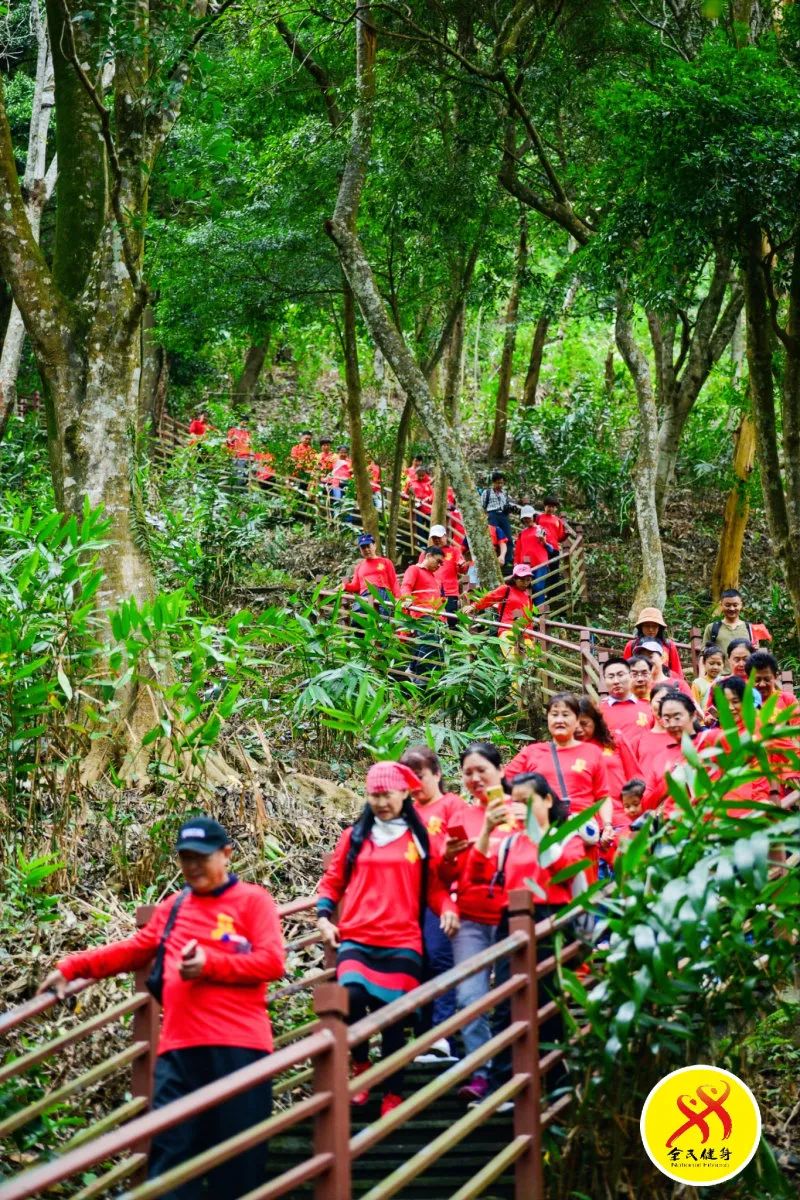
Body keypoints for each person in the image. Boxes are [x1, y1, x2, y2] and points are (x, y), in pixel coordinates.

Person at [37, 817, 284, 1200]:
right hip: (180, 1053)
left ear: (227, 855)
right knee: (170, 1161)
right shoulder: (175, 906)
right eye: (186, 858)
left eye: (202, 857)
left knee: (238, 1165)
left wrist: (211, 964)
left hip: (240, 1051)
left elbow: (272, 962)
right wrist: (71, 966)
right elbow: (134, 949)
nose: (194, 866)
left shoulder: (253, 902)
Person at [316, 762, 458, 1116]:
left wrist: (447, 908)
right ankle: (361, 1066)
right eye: (374, 795)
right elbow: (333, 881)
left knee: (391, 1016)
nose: (380, 802)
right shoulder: (355, 836)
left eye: (387, 794)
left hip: (402, 939)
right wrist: (322, 917)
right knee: (350, 998)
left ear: (404, 794)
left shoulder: (419, 837)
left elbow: (433, 887)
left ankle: (393, 1089)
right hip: (357, 938)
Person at [464, 773, 588, 1097]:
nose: (518, 808)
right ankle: (503, 1086)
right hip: (510, 927)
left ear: (547, 800)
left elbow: (567, 869)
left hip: (552, 922)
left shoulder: (566, 837)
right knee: (507, 1003)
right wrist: (489, 829)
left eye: (525, 801)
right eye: (514, 801)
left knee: (548, 1004)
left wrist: (537, 832)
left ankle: (554, 1085)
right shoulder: (508, 843)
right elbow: (475, 872)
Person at [438, 743, 514, 1104]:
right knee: (470, 997)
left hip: (512, 917)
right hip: (470, 917)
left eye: (482, 769)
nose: (475, 778)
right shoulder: (461, 817)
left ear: (500, 771)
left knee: (513, 999)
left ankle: (511, 1073)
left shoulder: (523, 809)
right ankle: (481, 1073)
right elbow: (448, 874)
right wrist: (448, 860)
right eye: (468, 772)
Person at [400, 745, 467, 1062]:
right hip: (409, 895)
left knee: (440, 957)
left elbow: (462, 850)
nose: (415, 784)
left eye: (421, 776)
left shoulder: (453, 804)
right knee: (417, 962)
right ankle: (425, 1036)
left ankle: (442, 1035)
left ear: (437, 774)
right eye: (409, 778)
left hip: (444, 892)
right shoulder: (404, 811)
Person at [504, 693, 614, 851]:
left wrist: (608, 825)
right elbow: (501, 785)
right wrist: (516, 808)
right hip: (541, 835)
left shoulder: (592, 752)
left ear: (576, 720)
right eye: (554, 715)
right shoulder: (532, 752)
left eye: (566, 715)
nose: (559, 720)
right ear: (548, 718)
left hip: (580, 835)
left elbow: (602, 796)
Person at [577, 696, 630, 830]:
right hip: (586, 824)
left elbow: (635, 777)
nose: (578, 729)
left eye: (584, 723)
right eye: (574, 724)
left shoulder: (615, 739)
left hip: (621, 818)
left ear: (595, 721)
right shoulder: (567, 749)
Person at [401, 547, 446, 676]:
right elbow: (406, 585)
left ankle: (412, 669)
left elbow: (441, 600)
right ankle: (421, 676)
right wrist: (407, 599)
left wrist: (443, 618)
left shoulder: (436, 578)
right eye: (438, 561)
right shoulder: (414, 569)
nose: (439, 565)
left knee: (430, 643)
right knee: (430, 641)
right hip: (422, 613)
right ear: (428, 556)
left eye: (441, 563)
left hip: (436, 617)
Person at [464, 563, 536, 636]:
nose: (525, 583)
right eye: (522, 580)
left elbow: (528, 618)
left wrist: (531, 635)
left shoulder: (527, 596)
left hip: (524, 634)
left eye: (528, 580)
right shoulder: (506, 589)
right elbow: (489, 598)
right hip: (507, 630)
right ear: (514, 579)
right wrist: (474, 606)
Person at [702, 589, 769, 656]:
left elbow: (755, 655)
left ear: (741, 605)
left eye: (735, 605)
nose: (732, 609)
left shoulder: (750, 629)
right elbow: (703, 654)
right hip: (721, 666)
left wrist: (755, 649)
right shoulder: (712, 628)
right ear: (721, 605)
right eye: (727, 605)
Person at [622, 607, 685, 679]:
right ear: (641, 627)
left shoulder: (669, 645)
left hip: (663, 684)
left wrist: (678, 686)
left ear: (659, 628)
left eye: (654, 626)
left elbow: (677, 671)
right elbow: (625, 670)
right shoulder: (631, 645)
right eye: (647, 626)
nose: (651, 629)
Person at [599, 657, 655, 738]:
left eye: (620, 675)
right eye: (611, 677)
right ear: (604, 680)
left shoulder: (649, 708)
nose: (616, 681)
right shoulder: (599, 711)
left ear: (630, 676)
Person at [423, 523, 466, 625]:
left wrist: (461, 566)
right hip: (431, 593)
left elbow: (463, 569)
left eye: (439, 537)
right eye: (434, 537)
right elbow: (420, 568)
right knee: (433, 621)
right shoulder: (427, 553)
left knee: (451, 621)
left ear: (445, 536)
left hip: (450, 593)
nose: (437, 539)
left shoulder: (454, 551)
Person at [343, 533, 399, 609]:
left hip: (382, 592)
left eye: (368, 546)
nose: (366, 549)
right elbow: (355, 586)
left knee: (381, 617)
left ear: (374, 546)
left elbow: (394, 582)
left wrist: (398, 597)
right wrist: (345, 586)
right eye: (363, 547)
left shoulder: (386, 562)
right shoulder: (359, 566)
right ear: (360, 549)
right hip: (365, 595)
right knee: (356, 617)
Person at [514, 506, 553, 606]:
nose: (527, 520)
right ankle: (530, 614)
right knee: (527, 588)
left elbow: (551, 549)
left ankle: (540, 614)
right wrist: (516, 565)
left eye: (528, 517)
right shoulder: (521, 533)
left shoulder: (541, 529)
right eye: (524, 518)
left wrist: (544, 542)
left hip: (540, 563)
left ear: (533, 517)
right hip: (526, 566)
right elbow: (518, 551)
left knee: (538, 587)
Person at [744, 650, 797, 716]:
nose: (762, 684)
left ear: (775, 677)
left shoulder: (787, 700)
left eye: (767, 679)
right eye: (757, 680)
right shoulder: (741, 703)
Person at [481, 471, 515, 561]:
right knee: (494, 538)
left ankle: (507, 560)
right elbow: (482, 506)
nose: (500, 485)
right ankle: (493, 559)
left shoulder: (504, 493)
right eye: (498, 483)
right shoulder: (487, 492)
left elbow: (506, 505)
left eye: (502, 483)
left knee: (508, 538)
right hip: (492, 515)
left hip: (503, 515)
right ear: (493, 482)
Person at [691, 644, 726, 711]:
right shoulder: (697, 683)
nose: (715, 667)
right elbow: (694, 707)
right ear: (704, 663)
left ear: (723, 665)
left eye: (719, 664)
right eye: (711, 663)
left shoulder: (726, 681)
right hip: (704, 720)